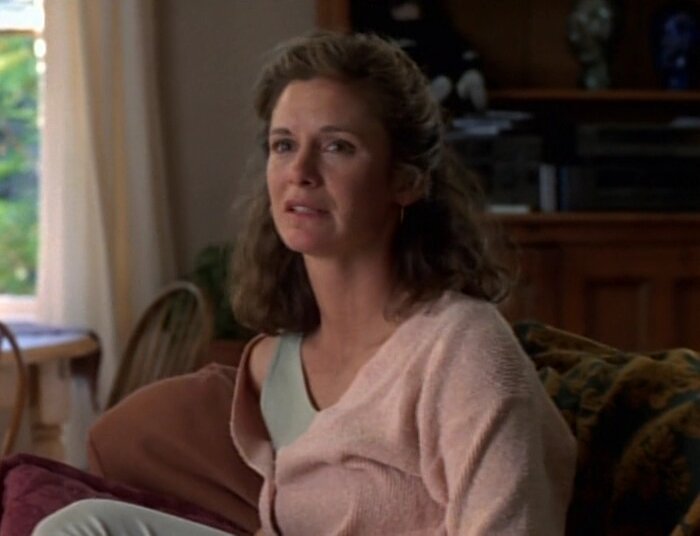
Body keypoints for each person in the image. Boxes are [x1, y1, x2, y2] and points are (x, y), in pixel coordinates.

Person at [32, 31, 576, 536]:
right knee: (80, 526)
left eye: (338, 146)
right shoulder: (275, 363)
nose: (300, 171)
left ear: (406, 180)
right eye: (284, 145)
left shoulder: (463, 348)